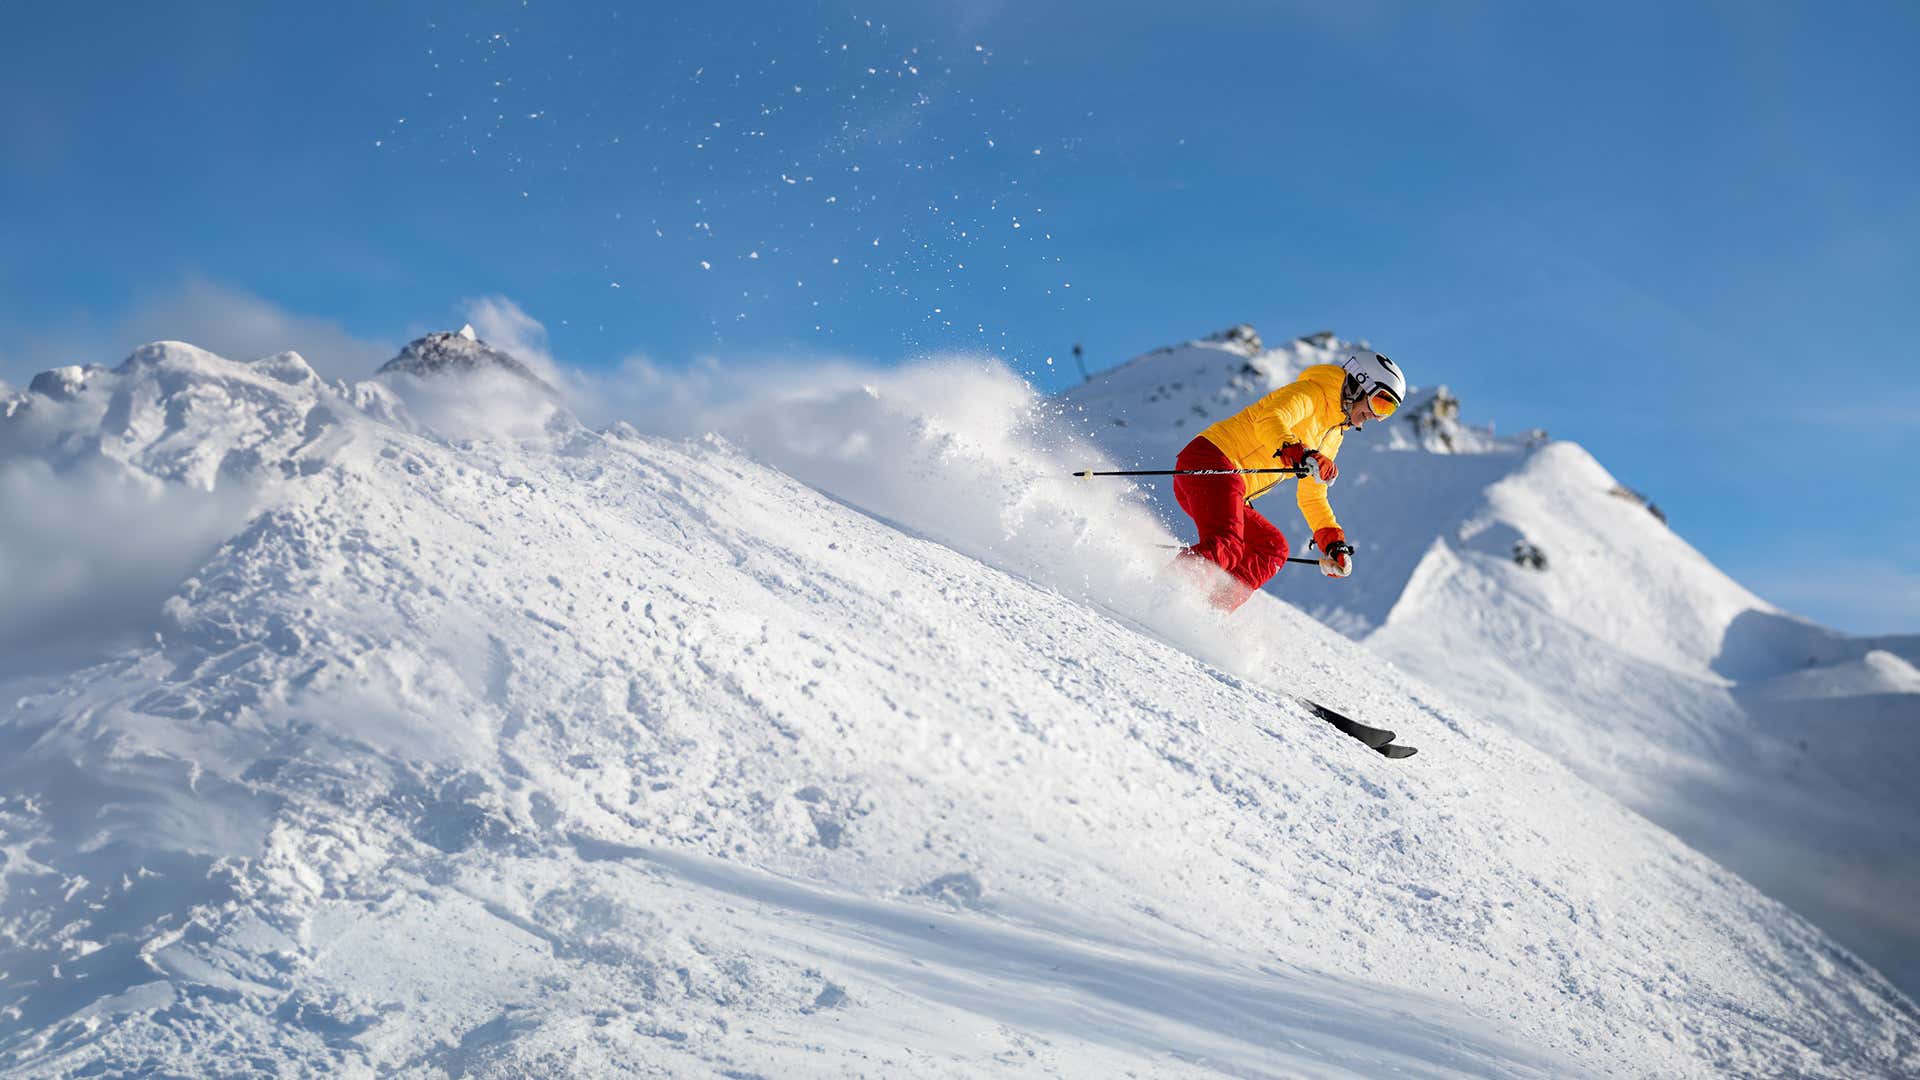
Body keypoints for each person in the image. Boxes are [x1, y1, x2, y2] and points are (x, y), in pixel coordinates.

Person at [1172, 349, 1406, 611]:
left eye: (1388, 411)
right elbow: (1270, 418)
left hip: (1231, 487)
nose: (1377, 416)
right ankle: (1166, 592)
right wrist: (1299, 452)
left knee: (1271, 548)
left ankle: (1207, 612)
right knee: (1228, 544)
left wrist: (1332, 542)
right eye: (1380, 403)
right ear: (1359, 383)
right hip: (1212, 460)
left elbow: (1312, 495)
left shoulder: (1333, 433)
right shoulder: (1312, 393)